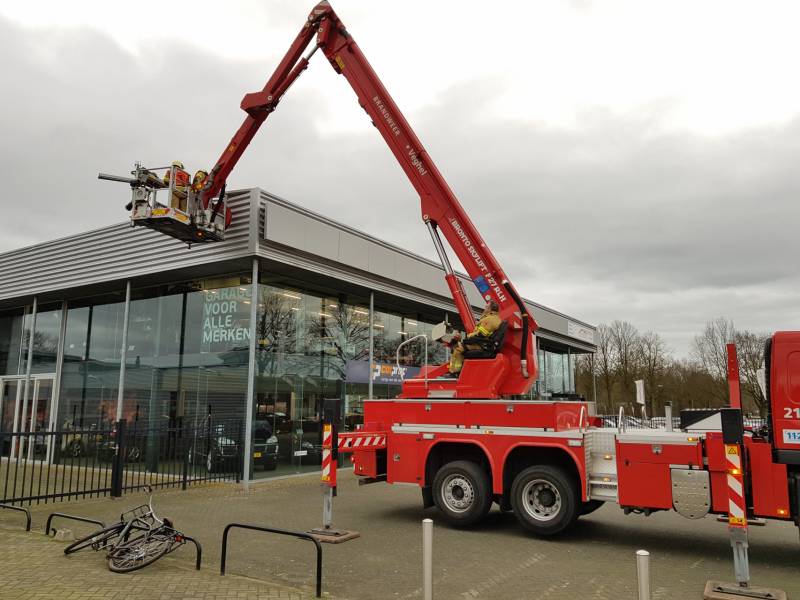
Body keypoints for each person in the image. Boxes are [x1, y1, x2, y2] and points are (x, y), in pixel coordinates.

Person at [448, 300, 502, 375]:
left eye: (486, 307)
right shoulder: (493, 318)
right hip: (483, 343)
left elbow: (481, 334)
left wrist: (469, 336)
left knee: (457, 348)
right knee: (460, 346)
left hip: (481, 345)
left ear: (490, 309)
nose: (484, 308)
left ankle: (454, 372)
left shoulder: (490, 320)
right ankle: (460, 371)